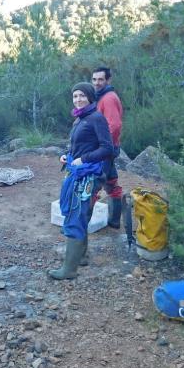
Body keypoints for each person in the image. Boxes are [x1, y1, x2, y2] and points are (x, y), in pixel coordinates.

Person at [49, 82, 114, 280]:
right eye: (75, 96)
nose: (78, 99)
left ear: (90, 97)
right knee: (79, 213)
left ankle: (69, 270)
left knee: (76, 215)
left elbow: (108, 148)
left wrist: (83, 159)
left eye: (82, 96)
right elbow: (77, 146)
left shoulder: (96, 118)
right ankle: (81, 256)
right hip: (76, 172)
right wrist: (66, 155)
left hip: (89, 175)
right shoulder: (80, 118)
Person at [91, 66, 124, 228]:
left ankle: (82, 224)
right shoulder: (102, 97)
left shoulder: (108, 98)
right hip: (109, 149)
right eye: (94, 79)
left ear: (108, 80)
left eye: (100, 79)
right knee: (111, 183)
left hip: (105, 150)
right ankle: (115, 221)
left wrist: (102, 148)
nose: (97, 83)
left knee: (93, 184)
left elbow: (115, 125)